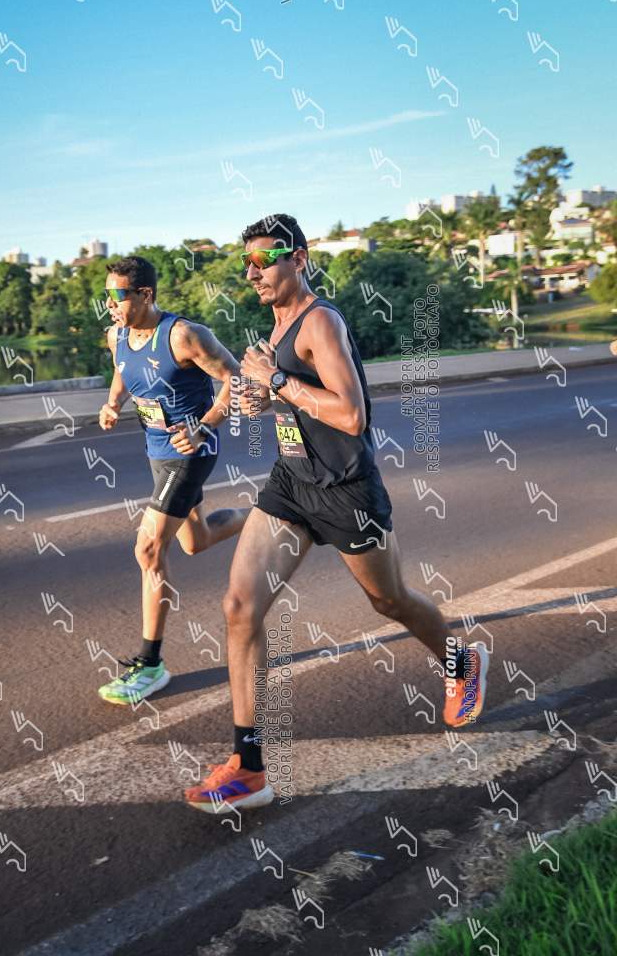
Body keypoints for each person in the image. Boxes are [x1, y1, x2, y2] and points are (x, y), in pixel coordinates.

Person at [185, 214, 489, 813]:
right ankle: (249, 768)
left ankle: (461, 659)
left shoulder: (320, 321)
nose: (253, 273)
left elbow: (351, 416)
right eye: (246, 264)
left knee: (390, 601)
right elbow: (289, 401)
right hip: (292, 484)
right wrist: (259, 396)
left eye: (264, 260)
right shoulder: (275, 330)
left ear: (298, 258)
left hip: (347, 490)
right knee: (240, 607)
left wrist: (276, 379)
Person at [97, 256, 249, 705]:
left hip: (192, 451)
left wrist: (204, 426)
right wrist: (113, 403)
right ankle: (267, 515)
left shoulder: (184, 335)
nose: (110, 304)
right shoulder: (116, 335)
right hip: (157, 451)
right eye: (106, 296)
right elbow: (122, 370)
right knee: (195, 542)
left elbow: (236, 379)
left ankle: (151, 664)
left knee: (148, 549)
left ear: (145, 294)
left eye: (118, 295)